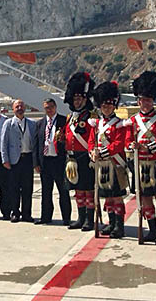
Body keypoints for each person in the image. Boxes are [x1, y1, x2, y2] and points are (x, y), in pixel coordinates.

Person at [125, 71, 156, 246]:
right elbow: (127, 140)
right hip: (140, 164)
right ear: (138, 101)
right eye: (142, 100)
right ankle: (152, 229)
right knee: (145, 198)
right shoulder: (132, 120)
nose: (145, 103)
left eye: (148, 100)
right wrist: (133, 146)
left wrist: (147, 147)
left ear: (152, 100)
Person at [88, 82, 128, 238]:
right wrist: (92, 152)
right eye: (104, 105)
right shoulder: (96, 124)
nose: (107, 108)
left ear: (114, 106)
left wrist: (102, 152)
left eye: (110, 105)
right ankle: (111, 223)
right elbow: (91, 141)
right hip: (101, 165)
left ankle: (119, 225)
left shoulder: (119, 124)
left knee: (116, 196)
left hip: (115, 163)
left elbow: (119, 144)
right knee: (107, 197)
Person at [63, 72, 96, 231]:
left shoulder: (91, 116)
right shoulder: (70, 117)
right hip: (72, 158)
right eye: (75, 99)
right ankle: (80, 217)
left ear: (85, 99)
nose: (77, 102)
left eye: (80, 99)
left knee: (88, 191)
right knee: (78, 191)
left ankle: (89, 220)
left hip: (85, 158)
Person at [33, 98, 71, 225]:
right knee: (46, 191)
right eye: (46, 108)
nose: (49, 110)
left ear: (55, 107)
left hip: (59, 161)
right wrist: (36, 163)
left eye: (50, 107)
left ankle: (66, 218)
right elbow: (36, 144)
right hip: (45, 161)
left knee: (63, 191)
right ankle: (46, 217)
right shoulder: (39, 123)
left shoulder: (63, 121)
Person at [0, 99, 36, 223]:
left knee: (27, 188)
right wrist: (5, 160)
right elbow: (3, 143)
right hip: (14, 160)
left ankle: (27, 213)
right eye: (17, 106)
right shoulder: (8, 124)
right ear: (13, 109)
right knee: (13, 188)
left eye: (21, 106)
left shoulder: (32, 124)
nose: (19, 108)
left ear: (24, 108)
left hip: (27, 159)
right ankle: (15, 212)